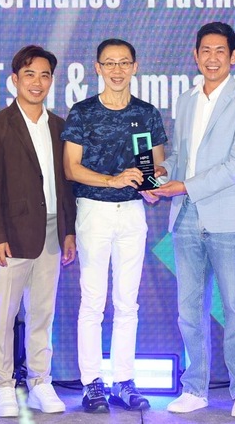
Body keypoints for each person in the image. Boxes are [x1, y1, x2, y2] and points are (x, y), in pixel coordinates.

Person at [146, 22, 235, 418]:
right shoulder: (186, 101)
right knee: (189, 310)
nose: (212, 58)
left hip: (228, 218)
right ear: (195, 56)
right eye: (205, 51)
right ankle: (195, 388)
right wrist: (160, 176)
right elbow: (181, 156)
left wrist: (184, 185)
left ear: (234, 56)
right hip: (185, 216)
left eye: (220, 51)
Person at [62, 38, 167, 413]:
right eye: (109, 63)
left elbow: (156, 164)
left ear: (135, 67)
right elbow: (71, 168)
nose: (117, 70)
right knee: (93, 301)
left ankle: (124, 380)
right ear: (98, 68)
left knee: (127, 302)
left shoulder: (147, 113)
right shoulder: (83, 112)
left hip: (133, 213)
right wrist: (113, 180)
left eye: (124, 63)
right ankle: (92, 382)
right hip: (94, 211)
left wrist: (153, 185)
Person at [0, 45, 77, 417]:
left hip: (52, 233)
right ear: (14, 80)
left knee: (42, 313)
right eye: (30, 74)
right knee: (3, 315)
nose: (37, 82)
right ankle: (3, 385)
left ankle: (39, 382)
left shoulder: (60, 127)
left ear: (52, 81)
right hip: (11, 236)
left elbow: (66, 185)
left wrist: (69, 231)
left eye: (45, 75)